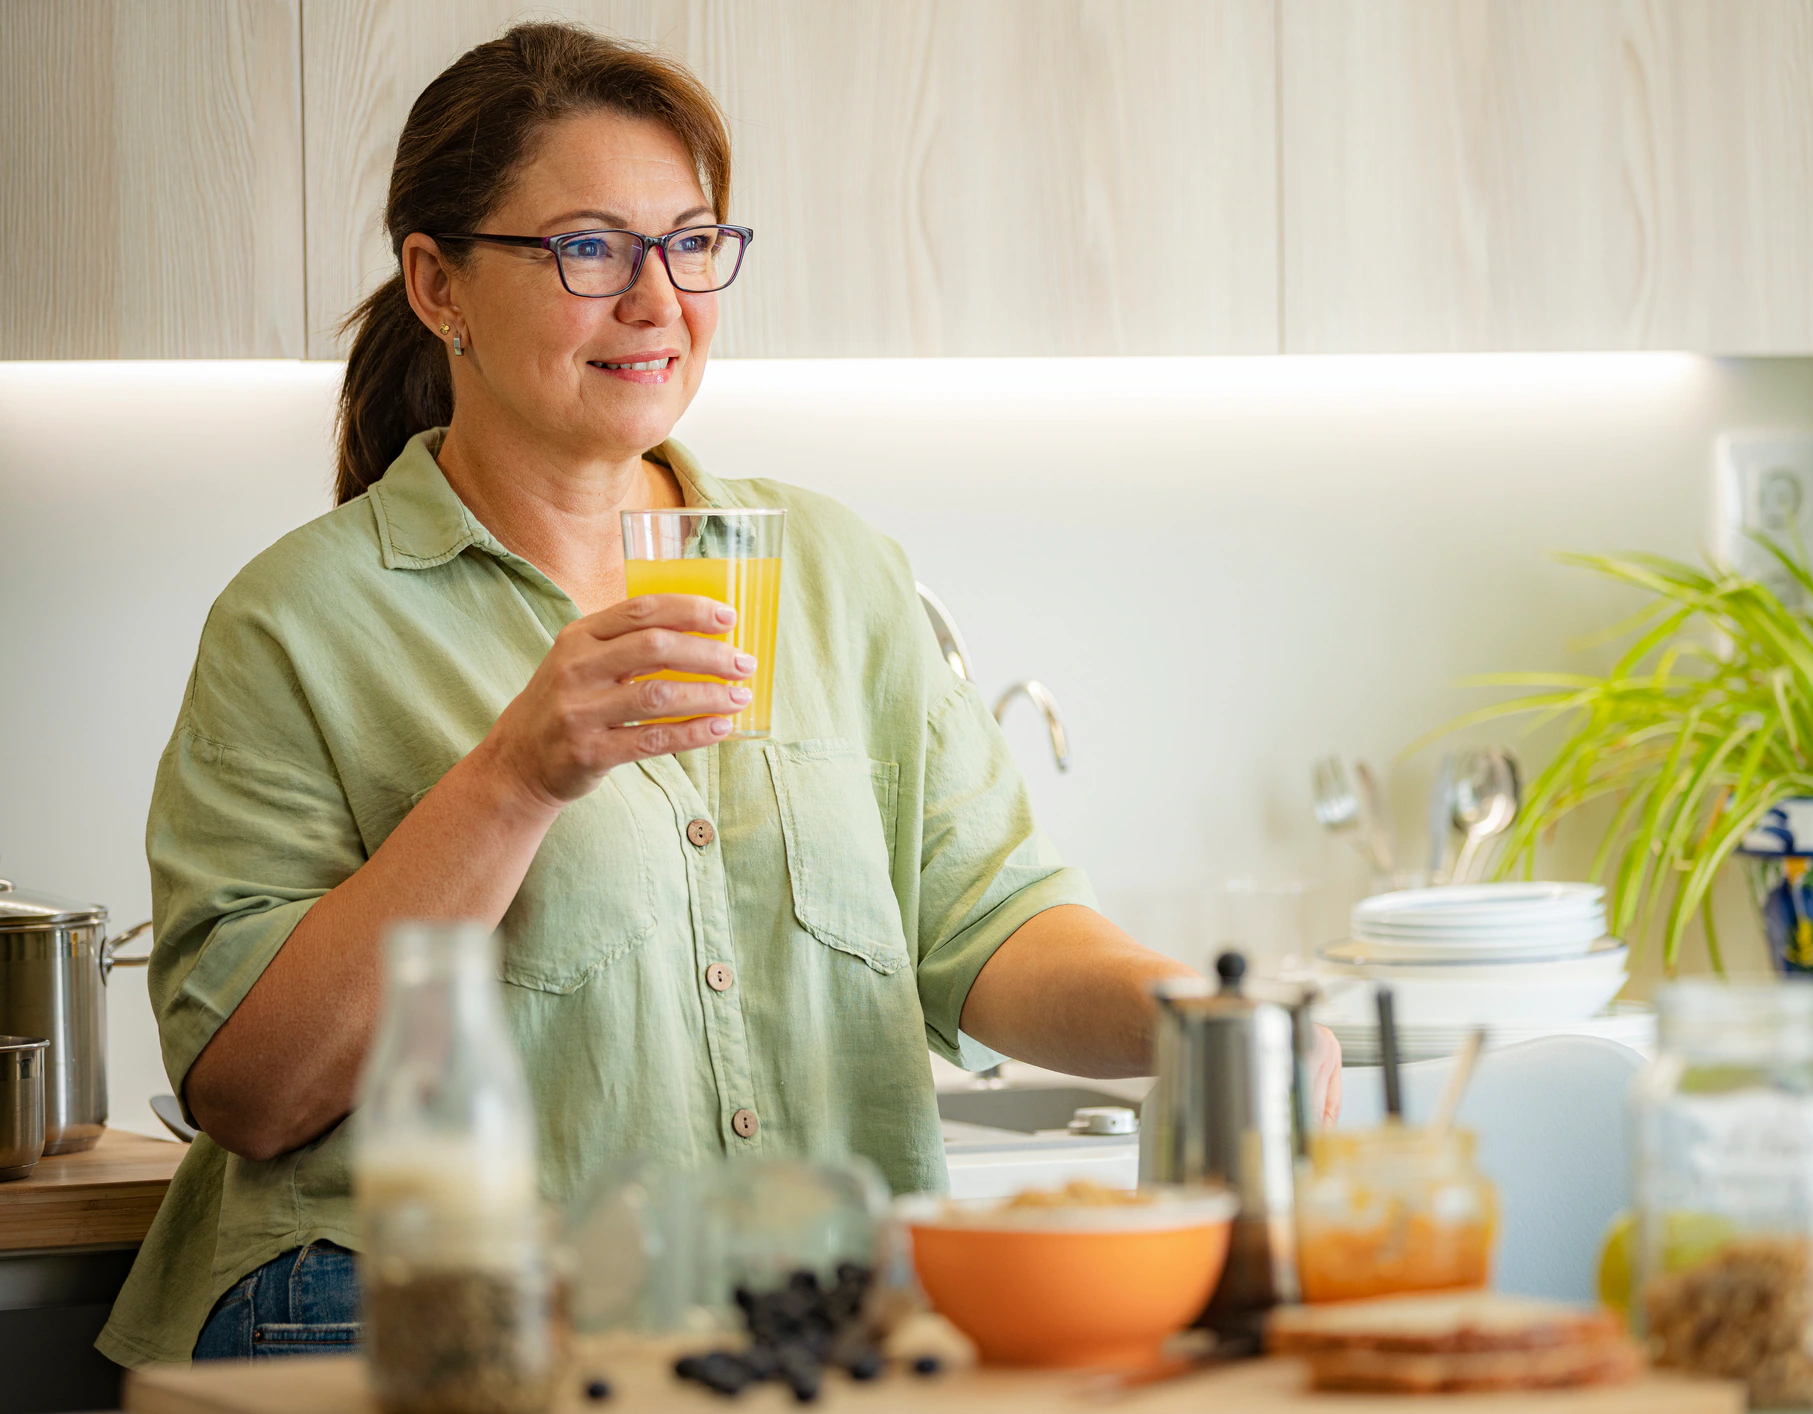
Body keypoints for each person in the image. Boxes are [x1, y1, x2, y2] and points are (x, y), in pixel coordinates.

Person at [97, 22, 1340, 1367]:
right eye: (588, 247)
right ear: (437, 283)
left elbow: (986, 920)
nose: (656, 299)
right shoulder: (302, 620)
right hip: (398, 1311)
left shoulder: (831, 571)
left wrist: (1193, 1018)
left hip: (783, 1324)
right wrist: (515, 775)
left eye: (691, 243)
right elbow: (251, 1090)